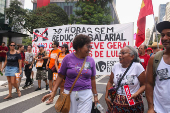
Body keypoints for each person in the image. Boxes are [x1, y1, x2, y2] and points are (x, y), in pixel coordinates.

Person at [42, 34, 99, 113]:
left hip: (86, 94)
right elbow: (60, 75)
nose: (90, 49)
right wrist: (53, 91)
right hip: (69, 94)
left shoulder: (91, 60)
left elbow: (93, 79)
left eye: (90, 46)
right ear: (79, 47)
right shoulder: (67, 58)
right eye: (87, 46)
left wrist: (95, 95)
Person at [105, 46, 145, 113]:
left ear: (132, 56)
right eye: (119, 53)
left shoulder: (137, 66)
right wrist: (106, 97)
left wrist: (136, 93)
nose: (120, 55)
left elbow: (144, 85)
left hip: (134, 103)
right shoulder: (115, 66)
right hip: (116, 103)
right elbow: (110, 82)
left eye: (123, 53)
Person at [146, 21, 170, 113]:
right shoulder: (155, 59)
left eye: (169, 34)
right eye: (163, 35)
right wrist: (151, 108)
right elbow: (149, 84)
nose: (165, 38)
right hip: (159, 110)